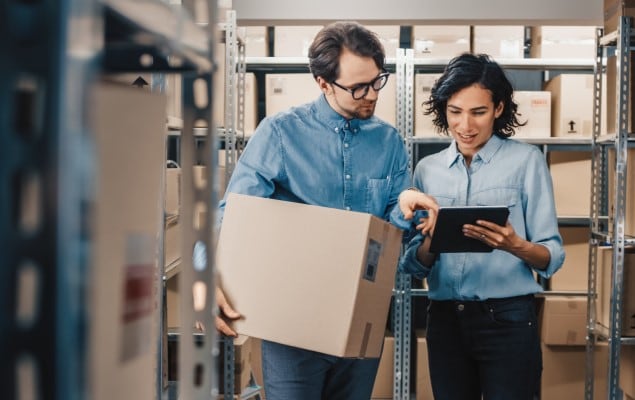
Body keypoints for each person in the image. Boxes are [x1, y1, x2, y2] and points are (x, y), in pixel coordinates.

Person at [213, 21, 437, 400]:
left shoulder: (389, 142)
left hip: (360, 322)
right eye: (357, 88)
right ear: (322, 83)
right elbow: (234, 214)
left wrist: (404, 209)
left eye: (376, 81)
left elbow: (392, 237)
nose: (371, 95)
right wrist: (208, 272)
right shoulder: (281, 134)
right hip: (292, 326)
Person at [395, 53, 565, 400]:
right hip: (445, 320)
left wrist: (514, 244)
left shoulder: (526, 161)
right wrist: (430, 241)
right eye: (455, 112)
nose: (465, 126)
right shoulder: (427, 170)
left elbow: (553, 257)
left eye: (478, 112)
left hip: (508, 320)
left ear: (499, 109)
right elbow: (411, 263)